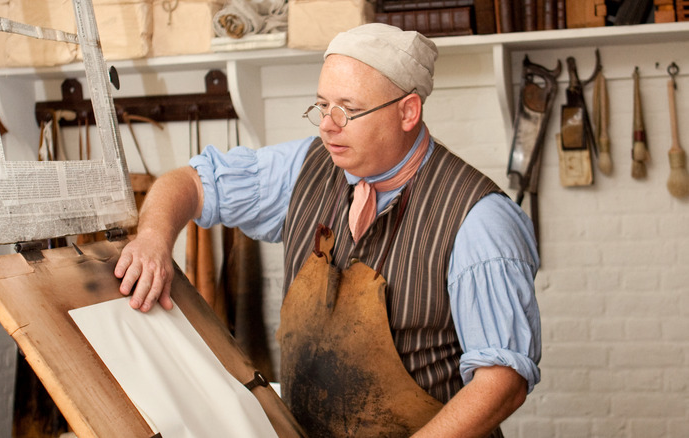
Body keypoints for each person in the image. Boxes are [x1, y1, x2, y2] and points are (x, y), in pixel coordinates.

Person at [114, 23, 541, 438]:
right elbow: (189, 182)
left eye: (347, 110)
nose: (327, 125)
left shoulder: (479, 220)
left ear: (408, 111)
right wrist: (153, 238)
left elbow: (502, 381)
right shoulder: (307, 167)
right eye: (322, 105)